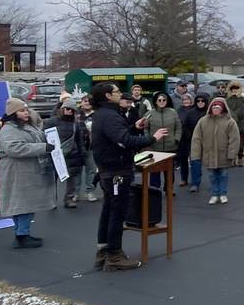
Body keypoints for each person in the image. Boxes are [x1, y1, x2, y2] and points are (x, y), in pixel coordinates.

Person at [90, 82, 169, 270]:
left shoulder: (104, 114)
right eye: (117, 92)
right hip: (116, 172)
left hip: (109, 170)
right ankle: (114, 255)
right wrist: (153, 138)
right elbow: (124, 140)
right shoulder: (110, 116)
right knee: (117, 212)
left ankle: (104, 250)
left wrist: (134, 126)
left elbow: (119, 136)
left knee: (109, 210)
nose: (121, 94)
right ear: (108, 96)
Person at [0, 98, 56, 248]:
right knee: (23, 204)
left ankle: (21, 233)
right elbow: (15, 148)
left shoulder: (23, 126)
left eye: (26, 110)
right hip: (17, 170)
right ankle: (22, 234)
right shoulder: (9, 129)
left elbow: (36, 137)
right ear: (13, 113)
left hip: (26, 170)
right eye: (22, 110)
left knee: (23, 203)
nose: (26, 113)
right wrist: (43, 147)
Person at [191, 97, 241, 205]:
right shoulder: (203, 121)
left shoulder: (230, 122)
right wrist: (196, 154)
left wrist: (232, 154)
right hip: (208, 154)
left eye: (218, 107)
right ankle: (214, 194)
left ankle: (223, 194)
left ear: (223, 108)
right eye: (214, 107)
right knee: (212, 176)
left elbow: (234, 139)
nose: (216, 109)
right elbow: (196, 139)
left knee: (223, 175)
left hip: (223, 154)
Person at [46, 99, 90, 208]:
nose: (70, 111)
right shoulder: (51, 121)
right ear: (62, 109)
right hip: (55, 154)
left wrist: (82, 153)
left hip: (72, 154)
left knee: (71, 179)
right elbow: (44, 136)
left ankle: (69, 198)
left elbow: (79, 140)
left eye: (73, 110)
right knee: (53, 179)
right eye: (68, 109)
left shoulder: (75, 124)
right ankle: (52, 201)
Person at [177, 93, 205, 190]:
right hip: (183, 138)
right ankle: (184, 178)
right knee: (183, 159)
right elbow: (180, 125)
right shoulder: (178, 110)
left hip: (196, 139)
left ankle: (195, 182)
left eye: (188, 100)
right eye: (184, 100)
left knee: (195, 160)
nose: (186, 101)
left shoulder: (195, 111)